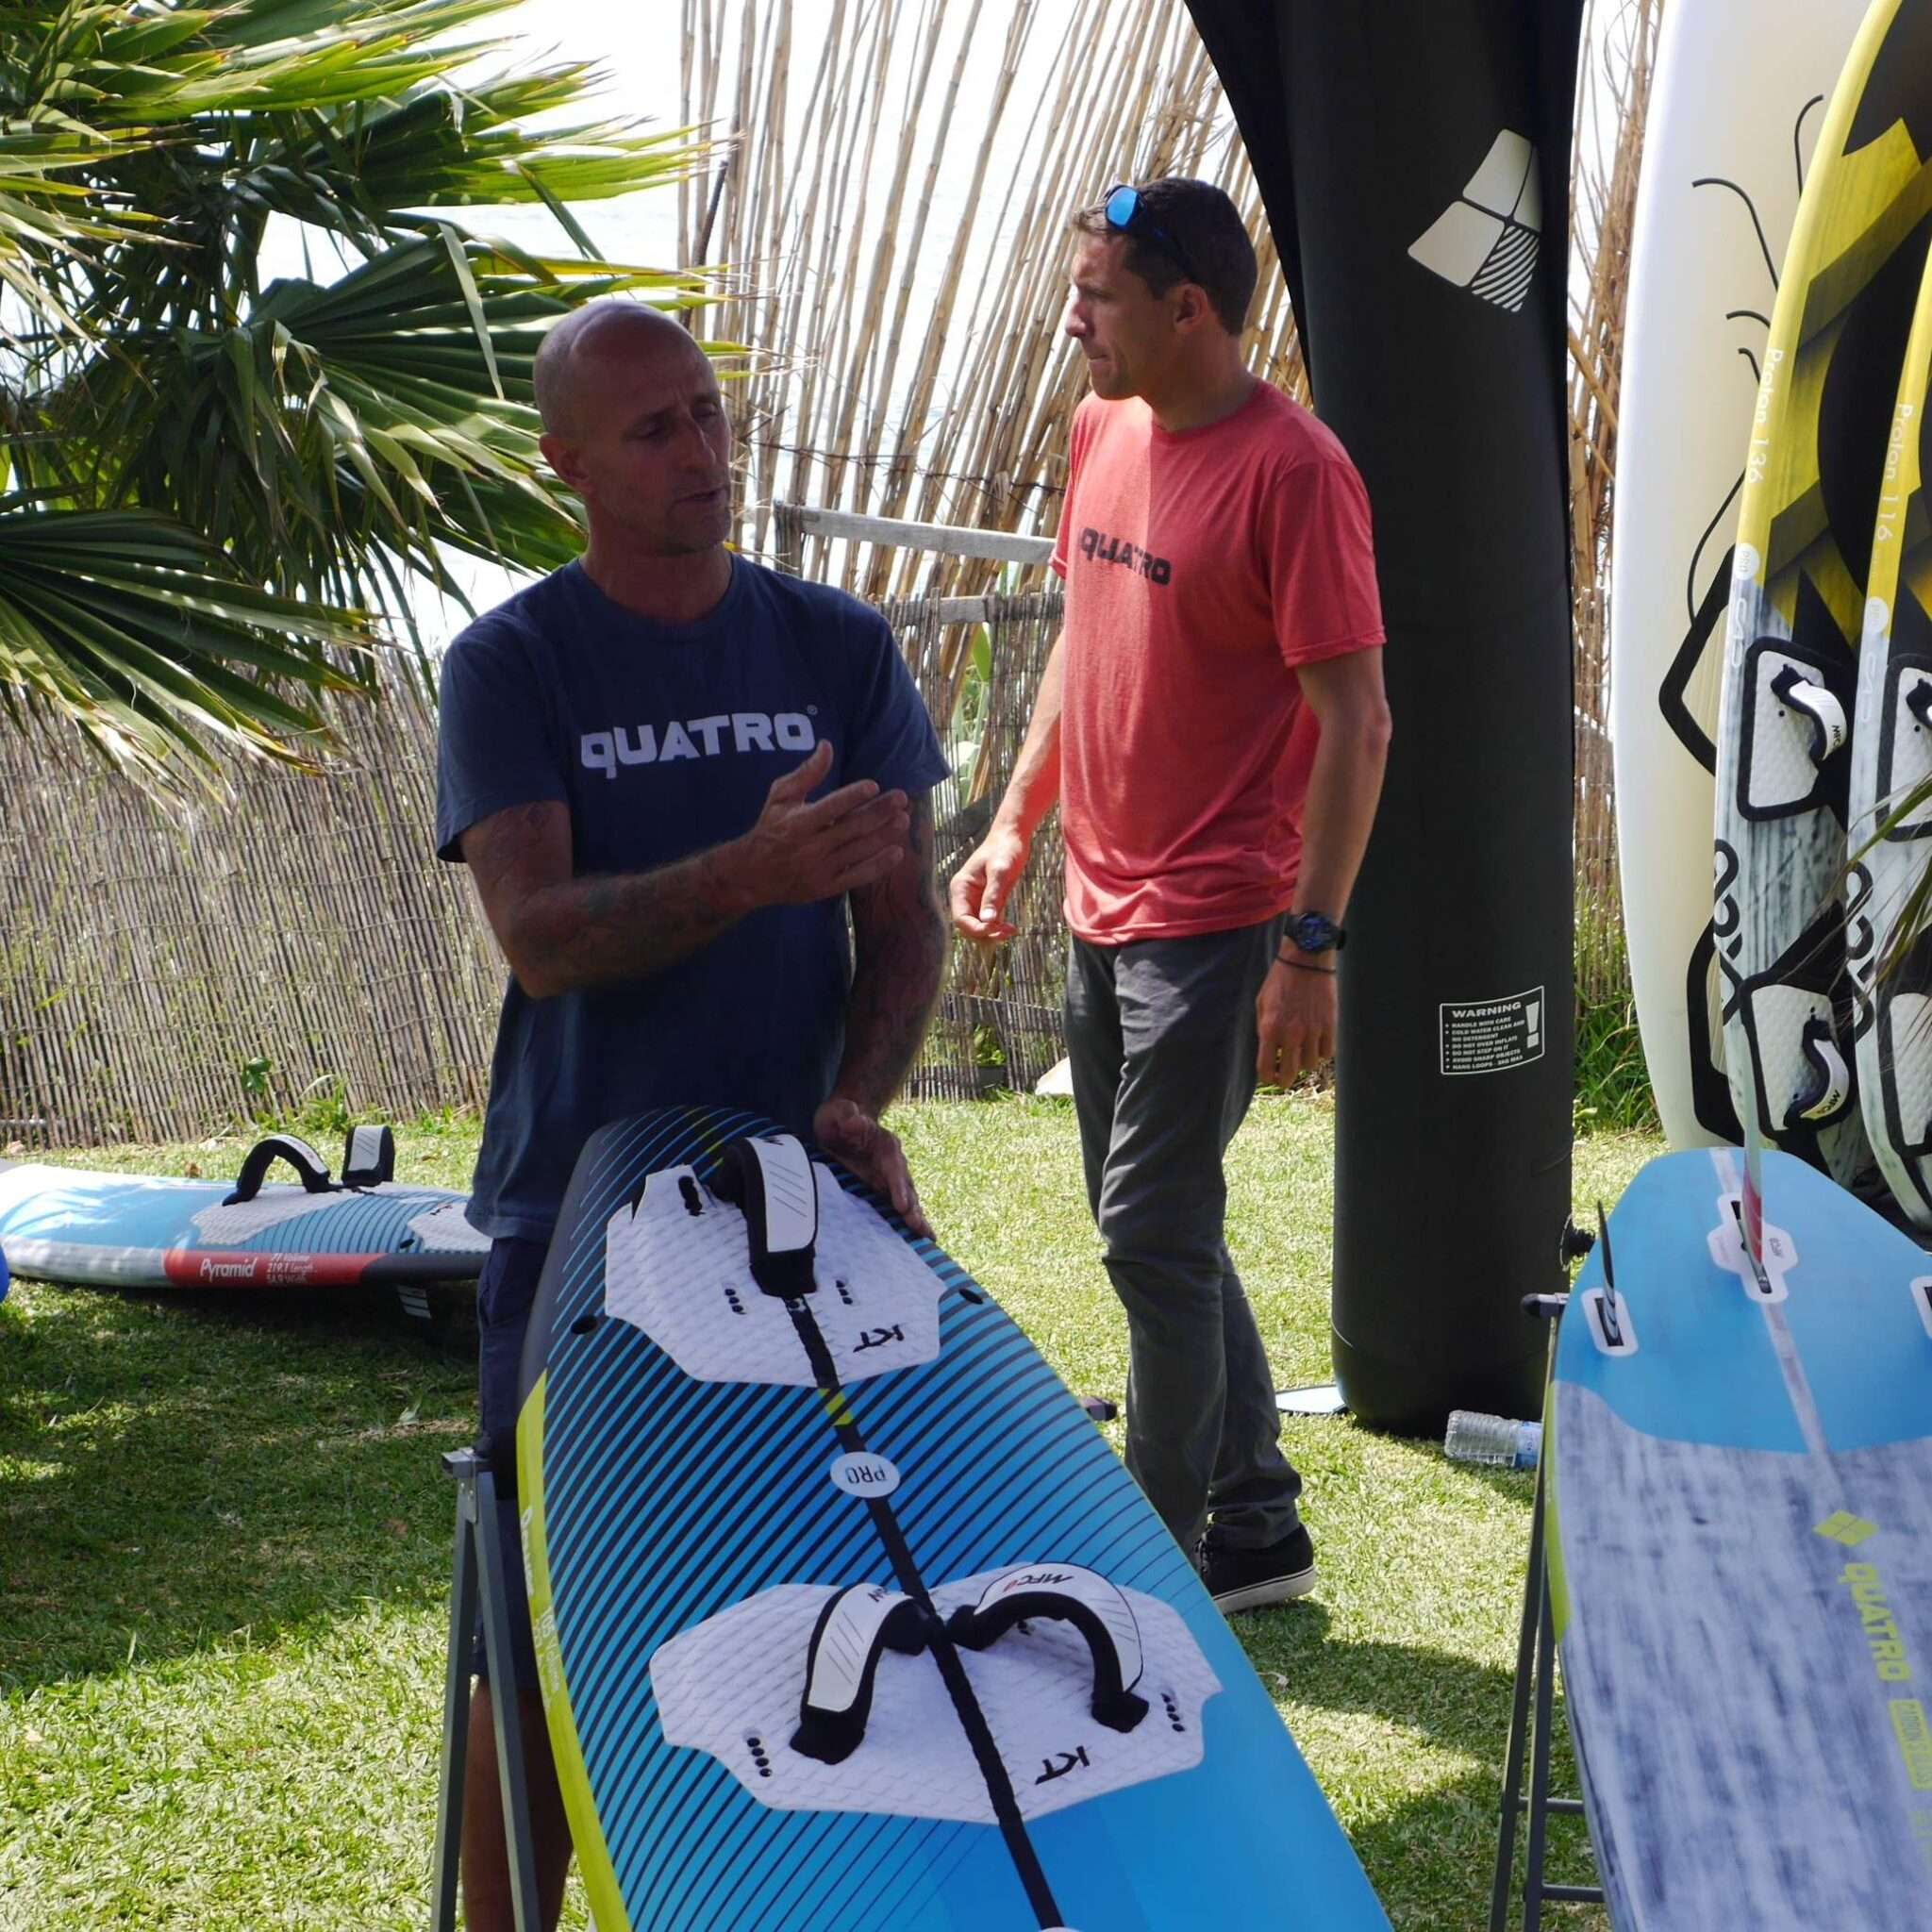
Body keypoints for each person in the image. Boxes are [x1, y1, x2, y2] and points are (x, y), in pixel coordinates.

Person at [435, 298, 950, 1931]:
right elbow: (540, 937)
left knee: (824, 1611)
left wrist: (855, 1103)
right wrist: (748, 872)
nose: (701, 452)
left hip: (802, 1222)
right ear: (567, 464)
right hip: (573, 1213)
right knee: (539, 1636)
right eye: (653, 429)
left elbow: (907, 924)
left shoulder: (836, 645)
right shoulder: (512, 664)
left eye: (710, 415)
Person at [950, 177, 1391, 1614]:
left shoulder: (1296, 473)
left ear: (1188, 307)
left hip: (1218, 922)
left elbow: (1359, 721)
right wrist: (1015, 824)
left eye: (1099, 297)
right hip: (1099, 900)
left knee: (1148, 1231)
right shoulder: (1104, 429)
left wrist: (1309, 951)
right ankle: (1257, 1528)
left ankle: (1154, 1575)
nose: (1075, 321)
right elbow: (1084, 645)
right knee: (1164, 1232)